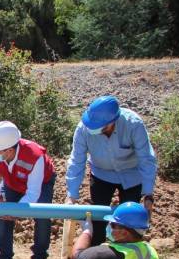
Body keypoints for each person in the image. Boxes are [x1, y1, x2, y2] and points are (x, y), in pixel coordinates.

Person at [65, 95, 157, 246]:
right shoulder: (84, 129)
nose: (96, 131)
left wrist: (148, 195)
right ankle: (96, 257)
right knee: (98, 220)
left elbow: (146, 159)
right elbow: (76, 160)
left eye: (101, 128)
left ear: (112, 121)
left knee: (127, 223)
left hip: (131, 176)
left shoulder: (133, 124)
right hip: (101, 174)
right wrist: (72, 195)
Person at [0, 121, 56, 259]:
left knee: (42, 218)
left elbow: (33, 192)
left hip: (42, 183)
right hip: (11, 182)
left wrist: (17, 212)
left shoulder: (35, 157)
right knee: (3, 216)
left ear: (9, 151)